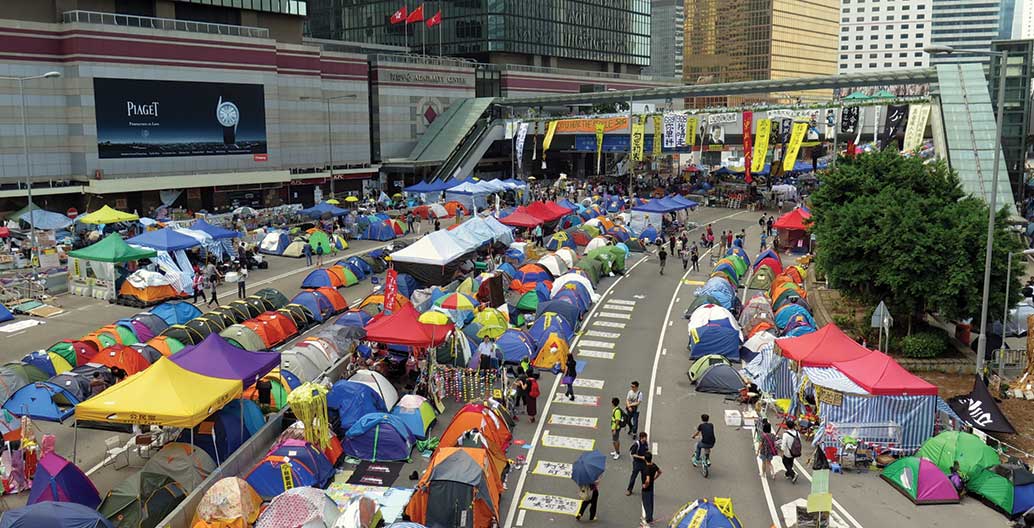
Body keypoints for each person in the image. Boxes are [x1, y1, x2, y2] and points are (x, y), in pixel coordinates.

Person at [641, 452, 662, 524]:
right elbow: (660, 472)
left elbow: (647, 480)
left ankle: (648, 519)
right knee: (651, 502)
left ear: (645, 459)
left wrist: (645, 485)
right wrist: (654, 478)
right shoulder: (653, 465)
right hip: (651, 487)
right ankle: (650, 517)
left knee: (646, 504)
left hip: (646, 489)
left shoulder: (646, 468)